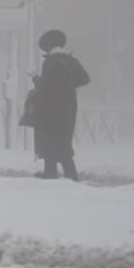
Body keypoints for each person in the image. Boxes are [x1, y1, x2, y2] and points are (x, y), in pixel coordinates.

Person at [30, 29, 90, 181]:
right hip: (68, 109)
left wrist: (35, 78)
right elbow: (85, 79)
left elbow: (45, 87)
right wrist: (68, 86)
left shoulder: (50, 62)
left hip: (50, 110)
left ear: (48, 47)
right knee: (64, 142)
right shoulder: (71, 61)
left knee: (49, 143)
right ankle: (70, 175)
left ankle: (52, 174)